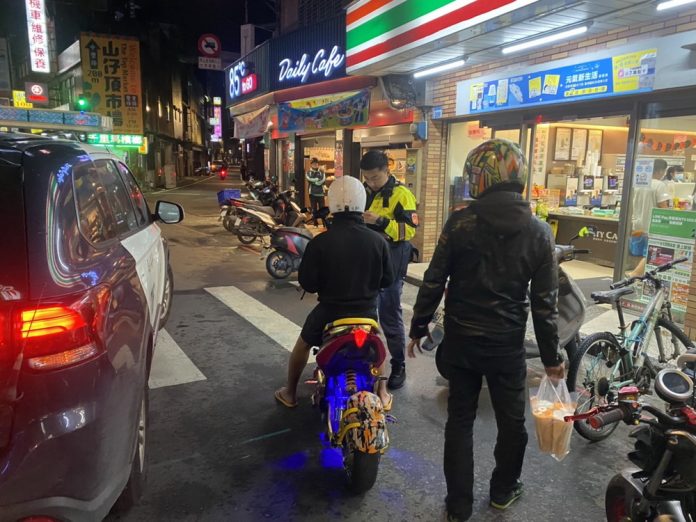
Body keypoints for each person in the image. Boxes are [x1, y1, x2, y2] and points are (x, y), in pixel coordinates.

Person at [406, 139, 565, 522]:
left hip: (460, 342)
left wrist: (418, 325)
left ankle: (458, 506)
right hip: (506, 347)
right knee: (512, 424)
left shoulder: (459, 223)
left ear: (477, 177)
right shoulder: (539, 232)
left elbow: (434, 278)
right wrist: (552, 359)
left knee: (459, 421)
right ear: (519, 175)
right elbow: (545, 305)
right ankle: (503, 491)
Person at [275, 175, 395, 410]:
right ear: (362, 204)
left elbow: (308, 283)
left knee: (303, 345)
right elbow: (388, 280)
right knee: (378, 346)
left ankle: (289, 392)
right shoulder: (378, 241)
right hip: (367, 312)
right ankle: (382, 392)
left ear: (331, 204)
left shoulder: (320, 242)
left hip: (329, 312)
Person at [361, 150, 418, 390]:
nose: (371, 182)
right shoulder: (363, 192)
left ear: (387, 170)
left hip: (391, 265)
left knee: (390, 316)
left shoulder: (402, 194)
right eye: (367, 178)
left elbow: (409, 231)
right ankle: (367, 364)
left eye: (375, 177)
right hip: (366, 264)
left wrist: (380, 222)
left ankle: (398, 365)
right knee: (365, 318)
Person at [627, 158, 671, 277]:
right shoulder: (659, 185)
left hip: (637, 224)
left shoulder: (638, 184)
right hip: (651, 225)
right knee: (649, 253)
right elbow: (662, 206)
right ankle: (636, 275)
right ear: (661, 171)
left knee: (638, 252)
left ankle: (636, 276)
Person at [306, 158, 326, 226]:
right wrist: (317, 180)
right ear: (311, 164)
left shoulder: (322, 171)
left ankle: (324, 223)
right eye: (313, 163)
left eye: (316, 163)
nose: (315, 164)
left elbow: (323, 180)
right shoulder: (308, 172)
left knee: (322, 209)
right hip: (312, 194)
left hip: (321, 194)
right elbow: (309, 179)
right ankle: (315, 223)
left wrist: (316, 182)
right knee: (314, 209)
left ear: (318, 164)